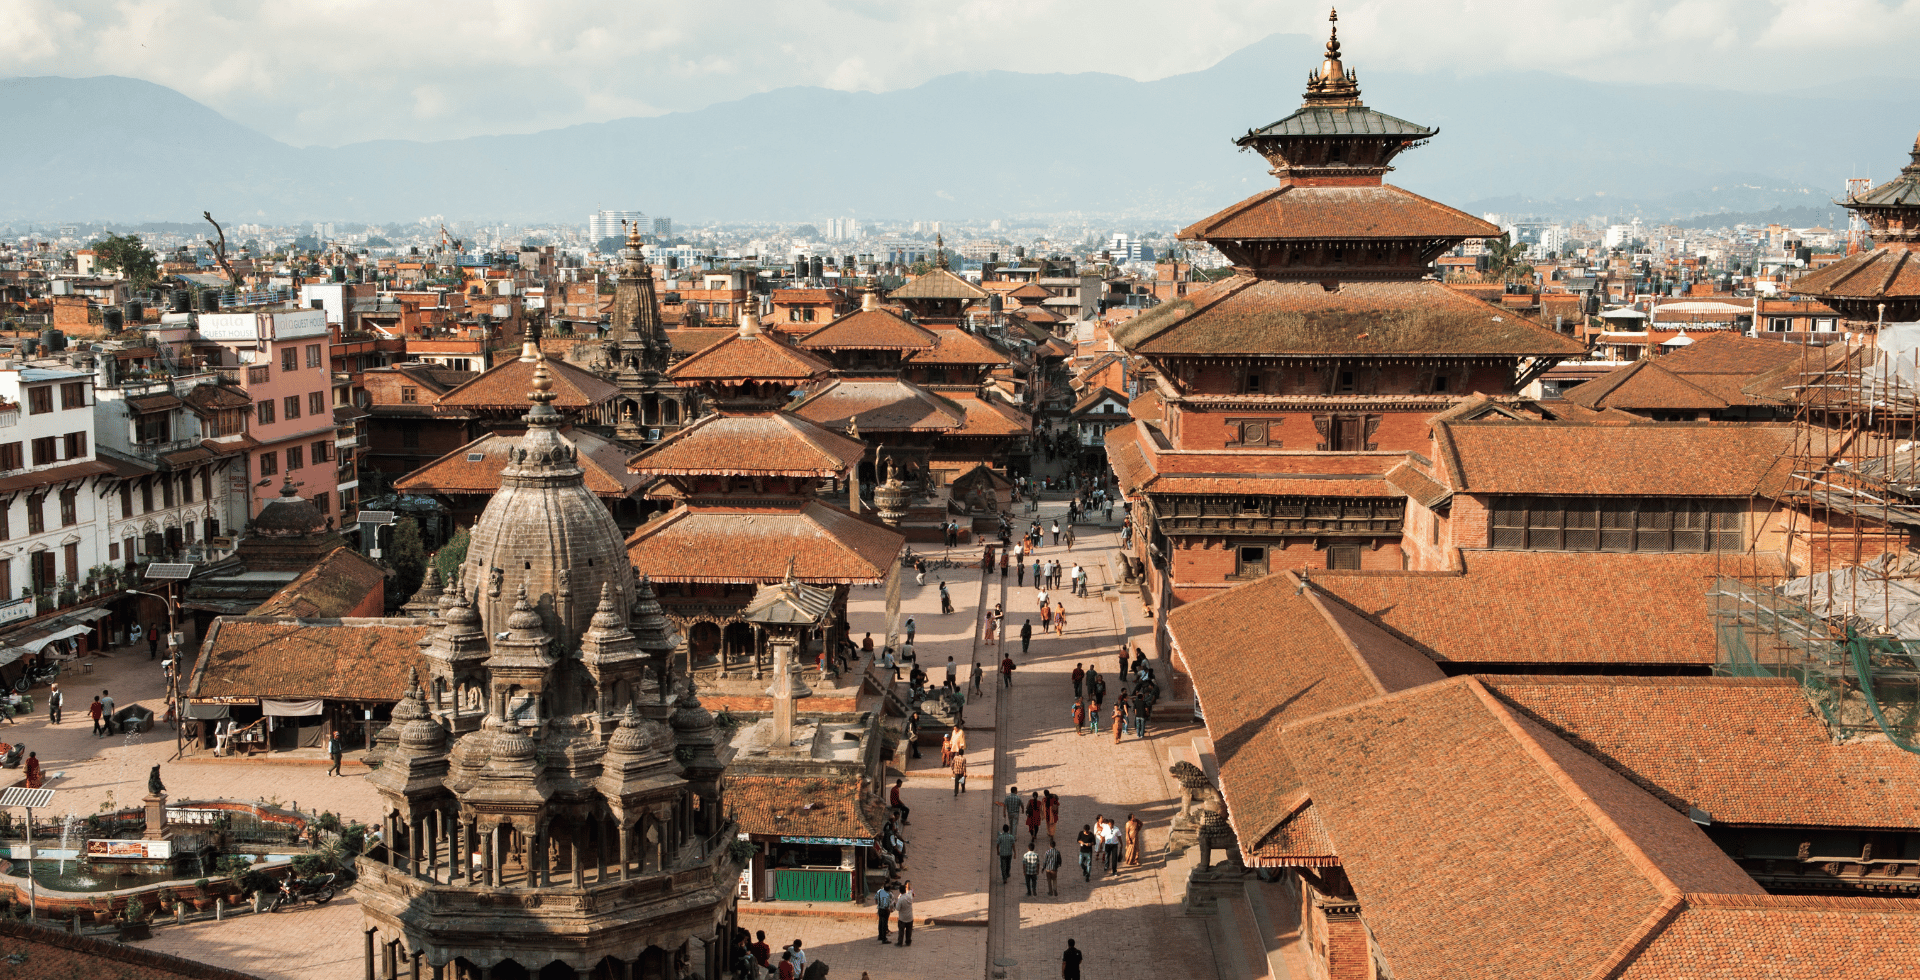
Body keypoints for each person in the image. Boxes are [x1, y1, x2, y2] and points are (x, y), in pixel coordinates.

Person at [894, 881, 914, 946]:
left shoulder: (901, 899)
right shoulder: (909, 897)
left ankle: (900, 942)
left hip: (902, 918)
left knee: (901, 931)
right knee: (909, 930)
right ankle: (908, 942)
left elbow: (897, 908)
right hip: (910, 916)